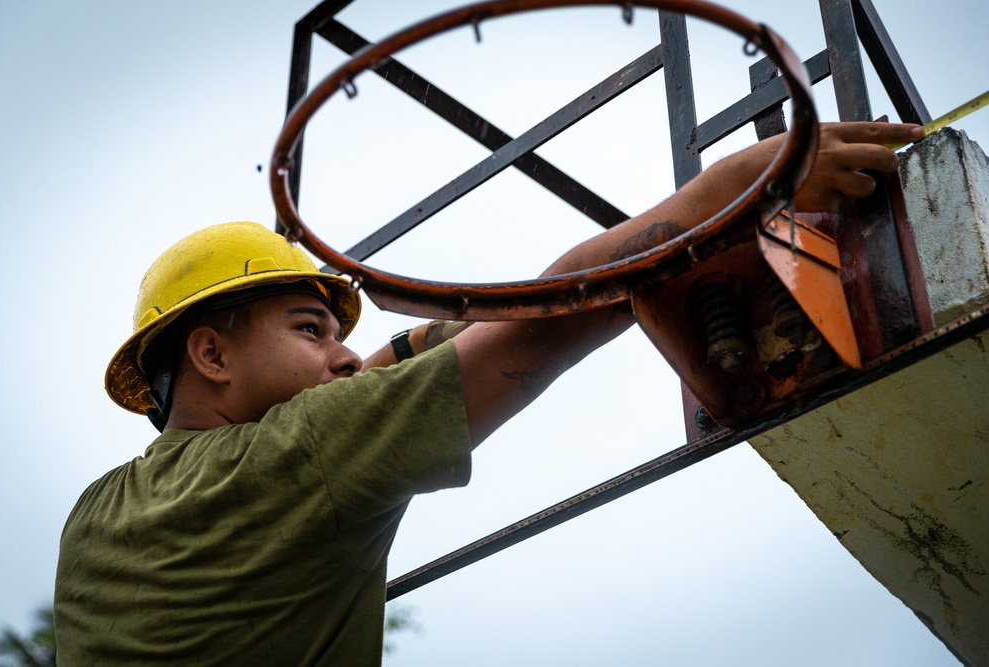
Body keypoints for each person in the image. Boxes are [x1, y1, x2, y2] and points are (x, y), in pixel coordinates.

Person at [53, 122, 923, 665]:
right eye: (312, 331)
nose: (344, 355)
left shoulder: (94, 517)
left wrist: (398, 346)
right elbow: (552, 316)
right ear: (210, 352)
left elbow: (360, 384)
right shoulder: (301, 455)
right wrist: (728, 193)